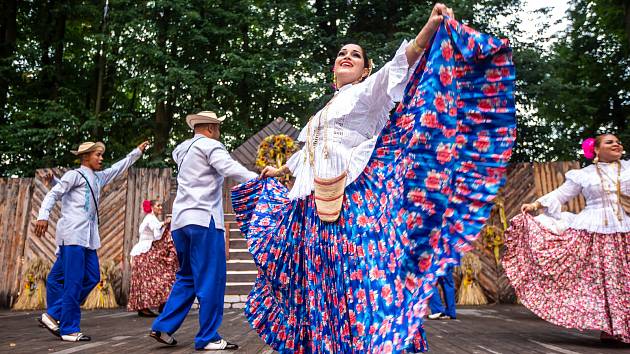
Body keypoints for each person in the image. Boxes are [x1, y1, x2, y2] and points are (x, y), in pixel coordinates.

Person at [231, 3, 516, 353]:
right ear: (333, 69)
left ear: (365, 70)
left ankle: (368, 343)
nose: (346, 56)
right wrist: (282, 170)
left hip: (348, 200)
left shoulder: (367, 95)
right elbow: (308, 153)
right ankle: (326, 344)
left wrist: (427, 30)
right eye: (341, 54)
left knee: (353, 277)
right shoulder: (322, 111)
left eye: (356, 54)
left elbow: (399, 66)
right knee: (317, 282)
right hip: (308, 206)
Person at [504, 134, 629, 344]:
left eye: (618, 141)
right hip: (594, 232)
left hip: (625, 230)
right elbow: (560, 195)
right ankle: (613, 329)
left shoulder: (627, 169)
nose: (616, 144)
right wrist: (536, 205)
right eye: (609, 142)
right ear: (596, 150)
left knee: (625, 280)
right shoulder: (583, 175)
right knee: (606, 282)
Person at [149, 111, 257, 351]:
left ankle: (164, 325)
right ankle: (208, 337)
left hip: (180, 223)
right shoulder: (211, 145)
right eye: (217, 127)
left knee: (187, 276)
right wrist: (257, 179)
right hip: (204, 219)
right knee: (211, 278)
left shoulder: (182, 150)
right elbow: (229, 168)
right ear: (210, 128)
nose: (219, 132)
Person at [35, 140, 149, 342]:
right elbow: (56, 193)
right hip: (73, 235)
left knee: (91, 276)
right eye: (98, 155)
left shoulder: (98, 178)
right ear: (85, 157)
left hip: (88, 238)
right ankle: (69, 328)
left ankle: (53, 314)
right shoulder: (74, 175)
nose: (101, 158)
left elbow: (118, 167)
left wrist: (136, 152)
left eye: (101, 155)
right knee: (74, 281)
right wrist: (43, 215)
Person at [127, 199, 177, 317]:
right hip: (143, 252)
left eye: (160, 206)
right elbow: (156, 228)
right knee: (147, 279)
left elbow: (158, 234)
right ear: (152, 207)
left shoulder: (153, 218)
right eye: (158, 206)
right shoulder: (150, 218)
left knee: (159, 275)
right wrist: (165, 222)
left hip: (148, 250)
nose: (160, 208)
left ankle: (163, 302)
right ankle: (145, 307)